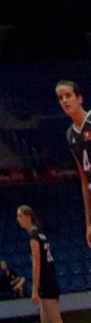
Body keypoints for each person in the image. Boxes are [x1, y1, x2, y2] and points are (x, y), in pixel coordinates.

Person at [55, 79, 91, 249]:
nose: (64, 101)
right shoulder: (70, 134)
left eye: (68, 95)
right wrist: (89, 223)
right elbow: (84, 180)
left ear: (80, 98)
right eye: (60, 98)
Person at [16, 206, 63, 323]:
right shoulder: (41, 234)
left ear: (28, 217)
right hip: (49, 280)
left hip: (46, 283)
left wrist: (34, 290)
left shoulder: (34, 237)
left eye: (20, 216)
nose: (18, 219)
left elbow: (36, 263)